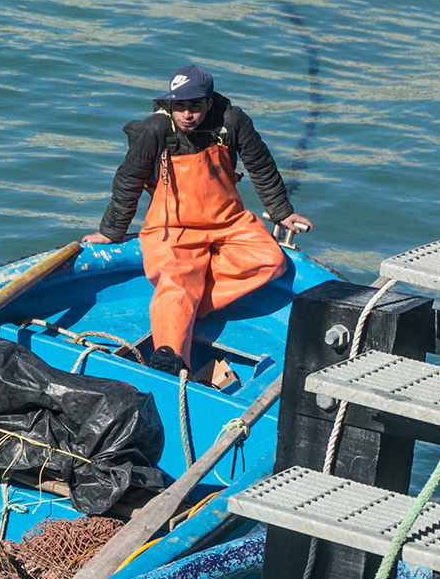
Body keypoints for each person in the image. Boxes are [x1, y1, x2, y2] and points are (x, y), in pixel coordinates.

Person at [83, 63, 313, 383]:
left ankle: (191, 305)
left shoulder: (233, 122)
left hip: (228, 221)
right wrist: (111, 232)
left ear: (209, 101)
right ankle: (170, 354)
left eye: (195, 106)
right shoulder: (154, 130)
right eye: (180, 106)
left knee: (270, 260)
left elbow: (260, 164)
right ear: (170, 104)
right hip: (172, 227)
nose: (187, 115)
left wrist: (281, 211)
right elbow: (128, 180)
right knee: (176, 280)